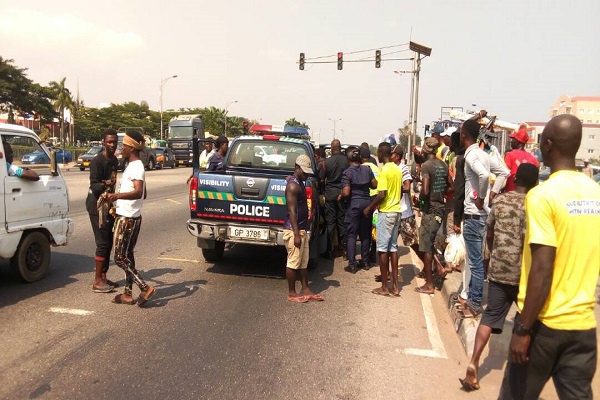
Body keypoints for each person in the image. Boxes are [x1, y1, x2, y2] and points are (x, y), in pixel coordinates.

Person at [499, 115, 600, 399]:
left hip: (544, 325)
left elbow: (542, 269)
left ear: (548, 144)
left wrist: (522, 328)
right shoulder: (596, 193)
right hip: (583, 328)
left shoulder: (543, 196)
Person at [459, 163, 539, 391]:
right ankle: (523, 380)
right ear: (535, 183)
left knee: (490, 316)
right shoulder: (535, 203)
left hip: (498, 270)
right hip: (525, 274)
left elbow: (490, 232)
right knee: (527, 322)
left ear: (516, 179)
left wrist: (494, 255)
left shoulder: (501, 200)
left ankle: (474, 362)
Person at [106, 130, 155, 307]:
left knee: (119, 258)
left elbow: (139, 192)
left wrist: (116, 196)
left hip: (127, 219)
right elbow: (144, 193)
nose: (121, 148)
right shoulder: (135, 166)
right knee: (128, 256)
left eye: (124, 145)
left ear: (131, 147)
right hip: (131, 216)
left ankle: (144, 287)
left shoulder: (136, 167)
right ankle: (127, 294)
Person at [283, 154, 324, 303]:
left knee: (303, 261)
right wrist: (296, 234)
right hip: (294, 230)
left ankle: (306, 288)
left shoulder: (298, 182)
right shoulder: (293, 186)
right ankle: (292, 292)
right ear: (296, 168)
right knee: (293, 262)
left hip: (302, 228)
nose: (306, 174)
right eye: (304, 171)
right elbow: (292, 211)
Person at [414, 138, 453, 294]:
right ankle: (439, 267)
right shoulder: (443, 164)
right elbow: (452, 186)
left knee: (427, 247)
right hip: (441, 208)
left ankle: (429, 284)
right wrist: (441, 194)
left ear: (425, 149)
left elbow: (425, 189)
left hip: (431, 210)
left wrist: (421, 199)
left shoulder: (426, 166)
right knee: (429, 244)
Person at [460, 119, 491, 317]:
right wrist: (489, 196)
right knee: (476, 261)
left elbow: (484, 175)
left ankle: (474, 303)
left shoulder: (471, 155)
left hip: (473, 214)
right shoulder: (484, 153)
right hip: (481, 215)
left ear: (464, 135)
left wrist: (480, 197)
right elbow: (503, 172)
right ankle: (472, 298)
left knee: (475, 263)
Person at [364, 142, 402, 297]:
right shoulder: (397, 169)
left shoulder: (384, 170)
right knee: (393, 248)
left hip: (386, 212)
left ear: (380, 153)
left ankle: (385, 287)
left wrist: (369, 208)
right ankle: (395, 286)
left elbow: (381, 194)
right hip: (397, 211)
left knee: (382, 249)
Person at [86, 129, 119, 293]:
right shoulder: (97, 161)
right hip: (96, 204)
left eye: (114, 142)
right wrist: (104, 185)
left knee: (109, 241)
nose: (112, 145)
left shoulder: (114, 161)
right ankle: (97, 281)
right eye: (109, 142)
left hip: (108, 204)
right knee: (102, 242)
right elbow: (94, 185)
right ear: (103, 143)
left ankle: (104, 276)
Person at [341, 147, 377, 273]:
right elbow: (374, 184)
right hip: (367, 203)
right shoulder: (367, 169)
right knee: (365, 234)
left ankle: (352, 264)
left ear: (348, 158)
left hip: (354, 204)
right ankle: (365, 261)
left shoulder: (347, 173)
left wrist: (340, 195)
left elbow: (346, 192)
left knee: (351, 235)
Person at [319, 139, 349, 259]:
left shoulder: (327, 162)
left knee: (330, 223)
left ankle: (330, 250)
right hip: (343, 195)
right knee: (342, 222)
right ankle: (345, 250)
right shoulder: (347, 162)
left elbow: (321, 178)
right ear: (340, 148)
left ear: (331, 149)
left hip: (330, 195)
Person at [503, 126, 539, 192]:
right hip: (527, 196)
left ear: (518, 142)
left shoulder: (510, 155)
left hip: (510, 194)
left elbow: (503, 175)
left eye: (513, 139)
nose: (511, 141)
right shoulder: (533, 159)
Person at [360, 147, 379, 266]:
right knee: (375, 227)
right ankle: (373, 252)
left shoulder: (362, 168)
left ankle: (365, 256)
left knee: (365, 229)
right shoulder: (377, 168)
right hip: (377, 200)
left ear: (361, 157)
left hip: (367, 199)